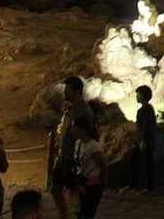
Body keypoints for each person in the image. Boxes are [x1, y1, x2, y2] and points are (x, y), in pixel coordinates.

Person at [50, 76, 93, 219]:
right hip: (64, 156)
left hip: (74, 159)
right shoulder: (70, 109)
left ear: (77, 91)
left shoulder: (84, 112)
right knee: (55, 189)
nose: (65, 93)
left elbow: (86, 136)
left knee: (76, 193)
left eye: (67, 90)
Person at [72, 117, 106, 219]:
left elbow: (102, 166)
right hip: (82, 184)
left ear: (82, 130)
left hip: (93, 185)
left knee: (87, 214)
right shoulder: (78, 143)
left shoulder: (93, 146)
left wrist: (102, 183)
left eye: (74, 128)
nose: (72, 130)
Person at [134, 84, 157, 194]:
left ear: (143, 96)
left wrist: (142, 141)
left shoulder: (145, 110)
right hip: (147, 140)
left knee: (147, 164)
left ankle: (148, 188)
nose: (136, 97)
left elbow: (146, 126)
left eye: (138, 95)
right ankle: (148, 187)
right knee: (147, 163)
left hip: (146, 141)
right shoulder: (148, 108)